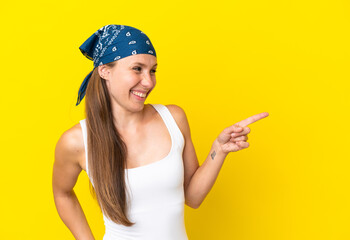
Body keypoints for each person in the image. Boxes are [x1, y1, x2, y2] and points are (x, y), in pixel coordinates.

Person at [52, 24, 269, 240]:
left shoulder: (173, 119)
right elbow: (62, 193)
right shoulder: (77, 141)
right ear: (105, 71)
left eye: (152, 70)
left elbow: (193, 198)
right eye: (137, 68)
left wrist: (219, 150)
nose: (148, 82)